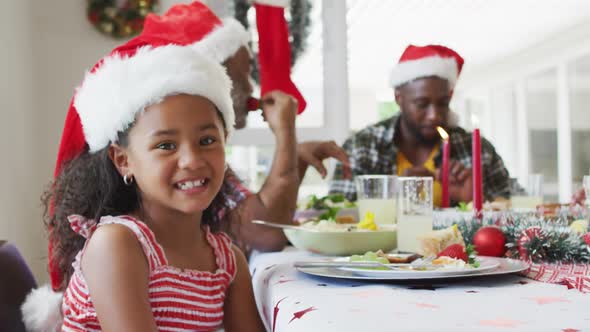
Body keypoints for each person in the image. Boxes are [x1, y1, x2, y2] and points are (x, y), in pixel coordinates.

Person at [26, 37, 265, 331]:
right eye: (166, 145)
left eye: (206, 141)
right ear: (123, 160)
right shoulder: (117, 244)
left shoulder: (228, 262)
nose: (191, 160)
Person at [330, 44, 514, 207]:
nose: (434, 116)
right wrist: (395, 195)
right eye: (421, 104)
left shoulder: (477, 150)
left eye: (442, 103)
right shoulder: (361, 146)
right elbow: (337, 214)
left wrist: (475, 200)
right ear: (398, 98)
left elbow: (517, 209)